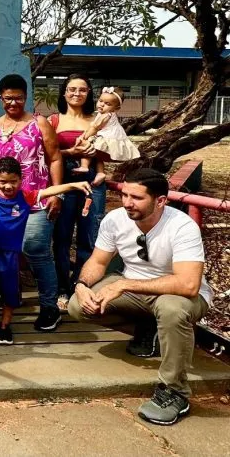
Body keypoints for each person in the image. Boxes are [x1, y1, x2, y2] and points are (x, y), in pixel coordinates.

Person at [68, 169, 213, 426]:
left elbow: (188, 284)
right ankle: (149, 328)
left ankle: (175, 392)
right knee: (79, 306)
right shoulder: (115, 219)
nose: (127, 203)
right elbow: (98, 261)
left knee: (171, 311)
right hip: (135, 289)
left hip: (178, 295)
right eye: (124, 195)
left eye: (136, 197)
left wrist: (124, 284)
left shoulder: (182, 226)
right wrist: (81, 284)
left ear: (160, 201)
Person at [0, 73, 65, 333]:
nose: (13, 103)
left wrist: (56, 194)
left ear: (26, 97)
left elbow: (55, 158)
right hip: (0, 205)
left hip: (35, 200)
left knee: (35, 247)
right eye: (8, 98)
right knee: (1, 250)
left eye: (18, 98)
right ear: (0, 98)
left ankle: (49, 306)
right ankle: (9, 296)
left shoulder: (40, 123)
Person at [0, 157, 91, 345]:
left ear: (21, 180)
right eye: (3, 182)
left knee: (10, 292)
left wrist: (73, 186)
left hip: (11, 256)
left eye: (13, 181)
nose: (8, 186)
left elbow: (49, 191)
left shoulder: (25, 196)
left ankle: (5, 326)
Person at [49, 74, 109, 308]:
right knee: (61, 238)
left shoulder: (100, 119)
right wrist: (70, 154)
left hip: (92, 182)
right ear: (64, 93)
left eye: (82, 90)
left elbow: (110, 151)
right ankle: (62, 288)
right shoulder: (54, 120)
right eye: (72, 89)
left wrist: (96, 154)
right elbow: (47, 154)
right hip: (63, 180)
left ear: (89, 94)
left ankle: (81, 287)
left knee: (89, 237)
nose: (77, 94)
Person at [74, 86, 139, 184]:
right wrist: (84, 134)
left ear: (116, 108)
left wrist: (84, 137)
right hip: (107, 136)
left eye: (107, 104)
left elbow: (95, 128)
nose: (102, 105)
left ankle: (84, 166)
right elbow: (92, 127)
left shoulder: (106, 116)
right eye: (100, 101)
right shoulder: (102, 114)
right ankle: (101, 173)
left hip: (108, 137)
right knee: (98, 155)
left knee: (87, 146)